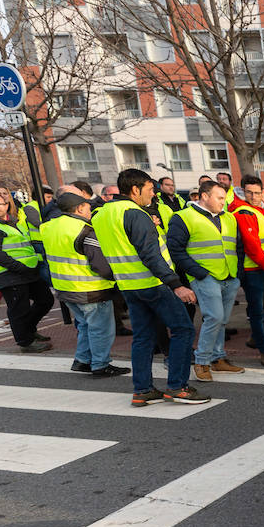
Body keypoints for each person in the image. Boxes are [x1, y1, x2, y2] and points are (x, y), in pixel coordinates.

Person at [91, 168, 208, 406]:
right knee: (183, 330)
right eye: (150, 189)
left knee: (143, 337)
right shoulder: (134, 213)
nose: (153, 194)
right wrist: (177, 285)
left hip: (127, 284)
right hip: (153, 283)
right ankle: (178, 386)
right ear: (135, 190)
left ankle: (143, 389)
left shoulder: (102, 213)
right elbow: (151, 256)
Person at [39, 192, 129, 377]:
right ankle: (100, 364)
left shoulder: (49, 227)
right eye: (88, 206)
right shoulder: (84, 229)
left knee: (85, 325)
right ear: (80, 208)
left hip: (64, 287)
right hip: (91, 289)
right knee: (100, 328)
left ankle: (82, 360)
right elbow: (100, 265)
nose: (90, 209)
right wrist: (116, 277)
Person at [167, 181, 247, 382]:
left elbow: (238, 246)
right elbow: (175, 250)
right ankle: (202, 361)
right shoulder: (183, 217)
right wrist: (199, 273)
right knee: (214, 318)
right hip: (205, 277)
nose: (223, 202)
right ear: (204, 196)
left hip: (229, 276)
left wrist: (237, 273)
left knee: (222, 319)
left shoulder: (229, 218)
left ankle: (218, 358)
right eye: (219, 198)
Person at [0, 191, 53, 352]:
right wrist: (18, 267)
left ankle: (28, 329)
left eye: (0, 203)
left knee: (45, 300)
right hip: (8, 273)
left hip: (27, 271)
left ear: (7, 205)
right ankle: (25, 341)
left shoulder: (11, 222)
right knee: (18, 309)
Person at [229, 175, 264, 367]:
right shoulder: (244, 213)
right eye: (249, 193)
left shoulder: (259, 208)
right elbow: (253, 250)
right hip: (253, 270)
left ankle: (257, 336)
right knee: (257, 312)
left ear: (263, 192)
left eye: (257, 192)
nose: (254, 196)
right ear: (243, 192)